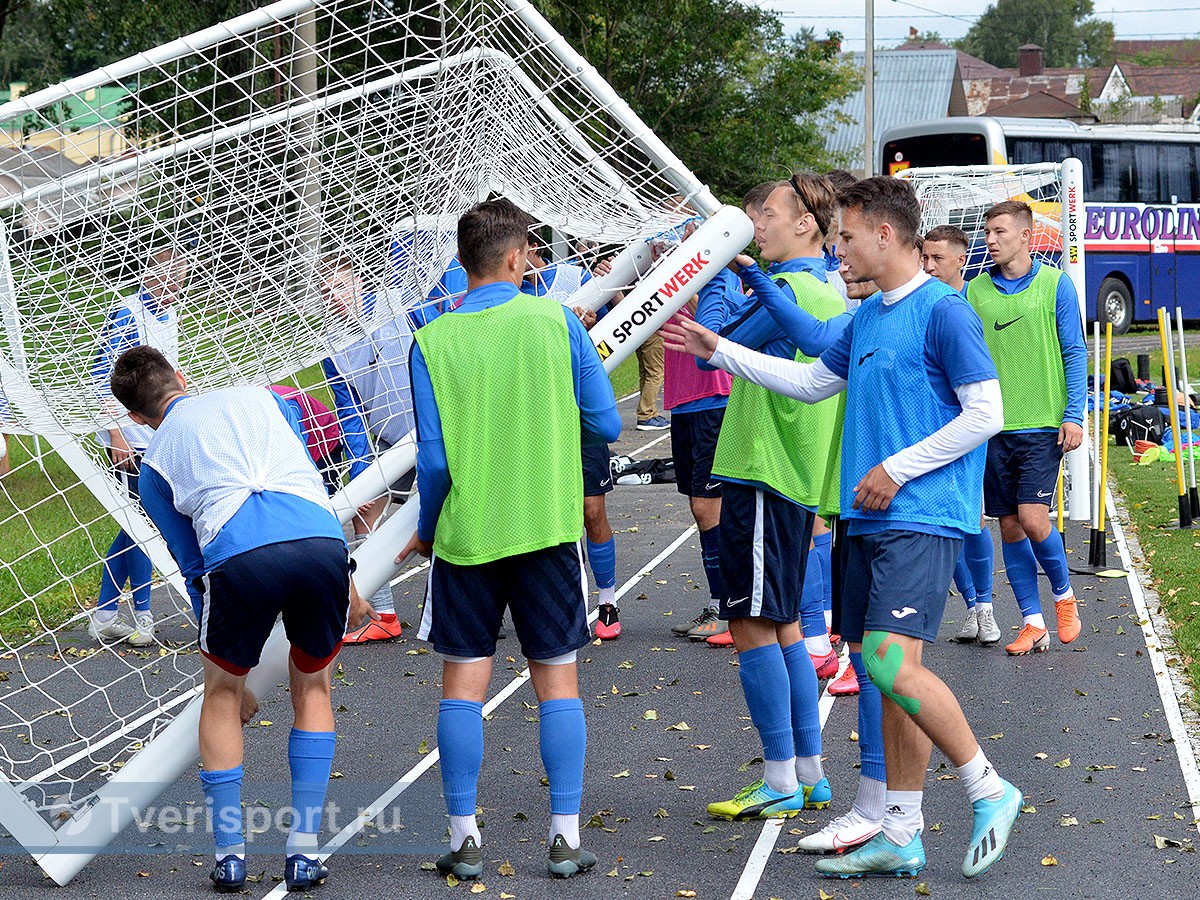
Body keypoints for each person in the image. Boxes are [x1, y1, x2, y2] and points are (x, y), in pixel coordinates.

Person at [664, 176, 1022, 880]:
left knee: (890, 664)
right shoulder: (869, 317)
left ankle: (989, 785)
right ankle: (900, 829)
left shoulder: (943, 312)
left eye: (849, 237)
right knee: (881, 674)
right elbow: (809, 382)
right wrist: (719, 352)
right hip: (865, 516)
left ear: (885, 236)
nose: (841, 249)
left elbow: (986, 414)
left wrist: (896, 467)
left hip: (920, 514)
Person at [399, 198, 621, 880]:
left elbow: (433, 462)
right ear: (522, 255)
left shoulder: (430, 339)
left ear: (460, 262)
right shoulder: (556, 321)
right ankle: (563, 838)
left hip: (467, 534)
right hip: (548, 527)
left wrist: (427, 532)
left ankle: (465, 841)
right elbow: (608, 424)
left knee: (463, 684)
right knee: (558, 681)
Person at [109, 345, 366, 893]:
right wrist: (347, 578)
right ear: (182, 375)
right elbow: (306, 477)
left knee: (220, 697)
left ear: (135, 417)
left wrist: (230, 673)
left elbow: (194, 566)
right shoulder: (262, 397)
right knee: (314, 686)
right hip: (319, 541)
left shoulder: (153, 466)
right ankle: (303, 852)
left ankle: (230, 856)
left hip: (240, 557)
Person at [697, 174, 843, 822]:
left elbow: (715, 348)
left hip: (765, 468)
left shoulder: (786, 288)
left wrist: (716, 274)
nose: (760, 222)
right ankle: (809, 773)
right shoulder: (826, 286)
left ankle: (780, 776)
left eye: (771, 214)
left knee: (749, 623)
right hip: (797, 475)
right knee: (783, 623)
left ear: (806, 223)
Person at [966, 201, 1086, 656]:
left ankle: (1064, 597)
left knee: (1035, 519)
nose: (991, 240)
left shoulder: (1056, 285)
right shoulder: (975, 290)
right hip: (992, 426)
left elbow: (1074, 352)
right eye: (987, 231)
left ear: (1026, 234)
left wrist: (1074, 413)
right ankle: (1032, 622)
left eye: (999, 231)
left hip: (1041, 425)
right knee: (1010, 526)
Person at [523, 234, 622, 640]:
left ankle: (608, 599)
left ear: (532, 248)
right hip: (535, 416)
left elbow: (616, 319)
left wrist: (600, 302)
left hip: (580, 412)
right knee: (545, 513)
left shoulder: (574, 277)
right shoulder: (506, 295)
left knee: (591, 510)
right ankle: (560, 601)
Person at [87, 247, 186, 647]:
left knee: (136, 526)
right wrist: (115, 432)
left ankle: (106, 613)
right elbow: (99, 375)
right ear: (150, 277)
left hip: (155, 433)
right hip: (128, 438)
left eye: (182, 280)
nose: (177, 288)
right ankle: (143, 616)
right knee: (145, 527)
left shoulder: (170, 314)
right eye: (171, 280)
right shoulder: (128, 313)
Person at [320, 256, 417, 644]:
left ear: (358, 282)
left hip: (430, 428)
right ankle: (385, 615)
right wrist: (362, 468)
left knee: (448, 519)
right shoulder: (330, 344)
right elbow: (350, 409)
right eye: (326, 292)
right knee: (365, 515)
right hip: (384, 438)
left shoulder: (396, 304)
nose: (334, 298)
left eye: (340, 287)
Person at [922, 225, 1000, 647]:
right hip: (925, 428)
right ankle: (971, 605)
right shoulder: (920, 301)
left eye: (939, 259)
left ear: (961, 260)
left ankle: (985, 608)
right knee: (941, 521)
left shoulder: (967, 303)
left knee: (971, 519)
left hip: (967, 426)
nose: (930, 265)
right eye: (925, 258)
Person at [269, 385, 344, 496]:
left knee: (324, 496)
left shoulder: (288, 409)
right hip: (290, 438)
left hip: (324, 444)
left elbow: (300, 456)